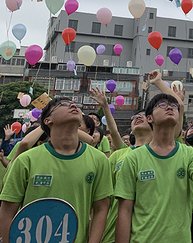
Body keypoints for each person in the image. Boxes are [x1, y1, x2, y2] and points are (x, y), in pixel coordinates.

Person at [115, 93, 193, 243]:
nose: (169, 107)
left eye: (174, 106)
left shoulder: (190, 154)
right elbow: (125, 211)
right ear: (150, 118)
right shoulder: (134, 158)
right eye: (161, 104)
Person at [0, 97, 113, 243]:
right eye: (62, 105)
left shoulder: (99, 159)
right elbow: (7, 211)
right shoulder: (26, 160)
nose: (73, 105)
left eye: (75, 105)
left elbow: (101, 209)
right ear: (47, 120)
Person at [101, 108, 154, 243]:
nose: (138, 117)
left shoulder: (161, 155)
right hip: (113, 230)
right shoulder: (118, 156)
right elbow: (104, 197)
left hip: (149, 231)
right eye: (135, 116)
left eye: (143, 115)